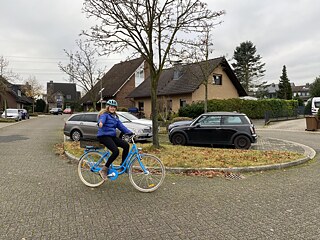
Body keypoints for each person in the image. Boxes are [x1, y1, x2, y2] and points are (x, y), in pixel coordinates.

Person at [97, 99, 133, 180]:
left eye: (114, 107)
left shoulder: (116, 117)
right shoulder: (105, 114)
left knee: (126, 145)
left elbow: (121, 127)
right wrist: (100, 123)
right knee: (116, 151)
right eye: (111, 107)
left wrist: (130, 132)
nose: (112, 108)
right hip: (103, 136)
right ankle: (104, 170)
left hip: (111, 136)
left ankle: (123, 165)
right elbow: (101, 120)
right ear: (108, 107)